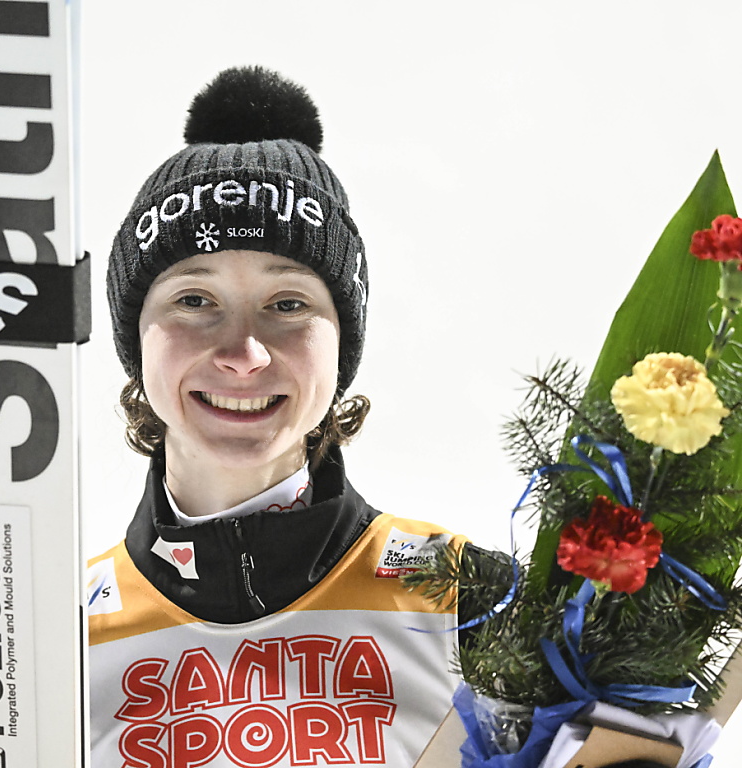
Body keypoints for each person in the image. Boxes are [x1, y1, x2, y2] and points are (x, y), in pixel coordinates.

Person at [87, 66, 490, 768]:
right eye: (194, 300)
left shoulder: (466, 596)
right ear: (136, 338)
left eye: (288, 305)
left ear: (341, 344)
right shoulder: (47, 638)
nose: (243, 354)